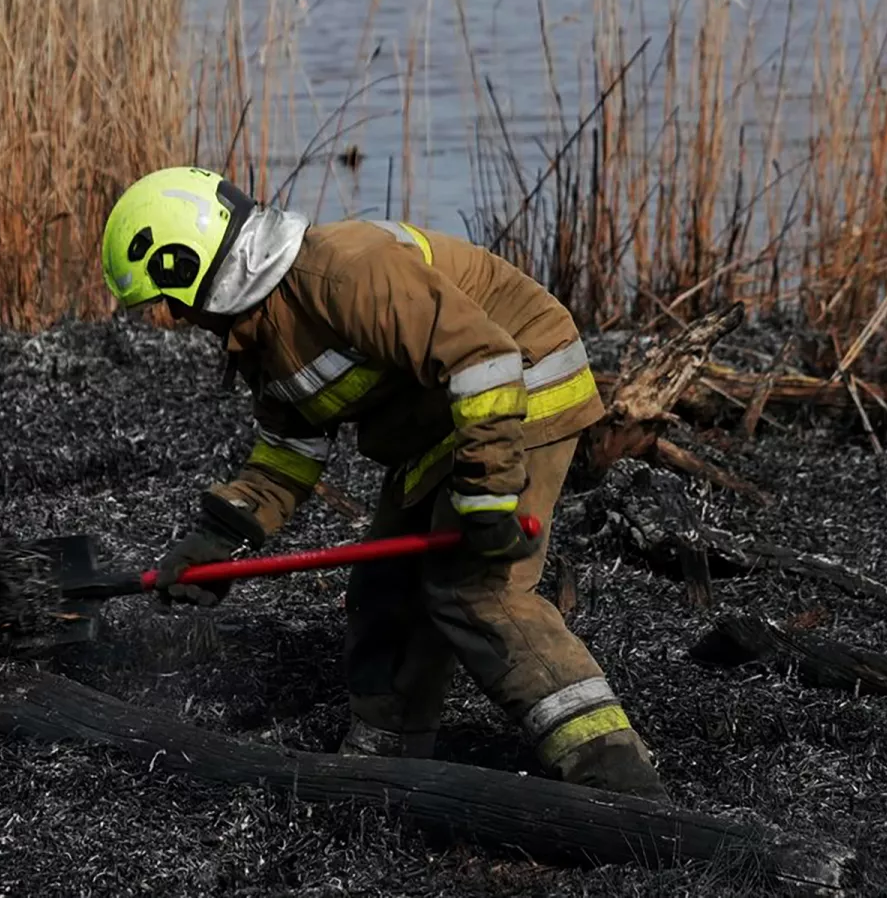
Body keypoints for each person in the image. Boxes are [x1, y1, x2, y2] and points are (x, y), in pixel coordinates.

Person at [99, 165, 669, 802]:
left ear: (192, 265)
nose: (174, 318)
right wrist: (218, 539)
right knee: (382, 595)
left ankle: (619, 781)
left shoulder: (344, 271)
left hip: (522, 388)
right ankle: (385, 771)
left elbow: (485, 361)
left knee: (475, 589)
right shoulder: (261, 330)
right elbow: (287, 454)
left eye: (169, 301)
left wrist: (487, 497)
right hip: (442, 427)